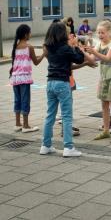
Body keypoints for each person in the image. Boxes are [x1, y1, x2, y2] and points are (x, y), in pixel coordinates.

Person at [40, 22, 94, 157]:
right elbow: (79, 59)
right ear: (62, 34)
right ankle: (68, 147)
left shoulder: (48, 47)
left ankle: (45, 145)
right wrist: (75, 46)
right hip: (63, 83)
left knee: (50, 115)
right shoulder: (65, 48)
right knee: (67, 116)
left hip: (50, 83)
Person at [85, 21, 111, 143]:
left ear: (109, 33)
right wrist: (83, 50)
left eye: (102, 32)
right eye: (99, 32)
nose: (100, 35)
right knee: (104, 105)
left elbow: (107, 58)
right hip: (103, 77)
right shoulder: (99, 44)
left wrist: (93, 52)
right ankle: (106, 130)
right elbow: (92, 59)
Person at [9, 24, 45, 133]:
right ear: (25, 34)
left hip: (15, 78)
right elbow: (36, 62)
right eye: (30, 32)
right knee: (25, 100)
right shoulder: (29, 47)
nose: (31, 34)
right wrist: (44, 53)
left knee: (17, 100)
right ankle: (26, 125)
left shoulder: (15, 47)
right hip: (24, 77)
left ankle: (17, 124)